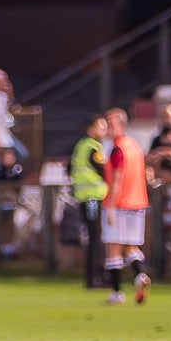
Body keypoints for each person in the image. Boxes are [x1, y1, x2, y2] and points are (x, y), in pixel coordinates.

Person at [100, 109, 153, 306]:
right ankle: (140, 276)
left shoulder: (118, 149)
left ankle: (116, 293)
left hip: (120, 202)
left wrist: (111, 206)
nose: (107, 127)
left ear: (122, 126)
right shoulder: (135, 146)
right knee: (131, 246)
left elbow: (117, 179)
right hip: (138, 202)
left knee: (113, 248)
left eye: (111, 124)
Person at [69, 114, 109, 289]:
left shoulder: (80, 146)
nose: (104, 130)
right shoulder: (94, 147)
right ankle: (96, 277)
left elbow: (70, 169)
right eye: (101, 126)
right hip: (93, 197)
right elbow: (103, 170)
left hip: (84, 197)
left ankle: (93, 276)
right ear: (91, 129)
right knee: (95, 237)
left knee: (92, 236)